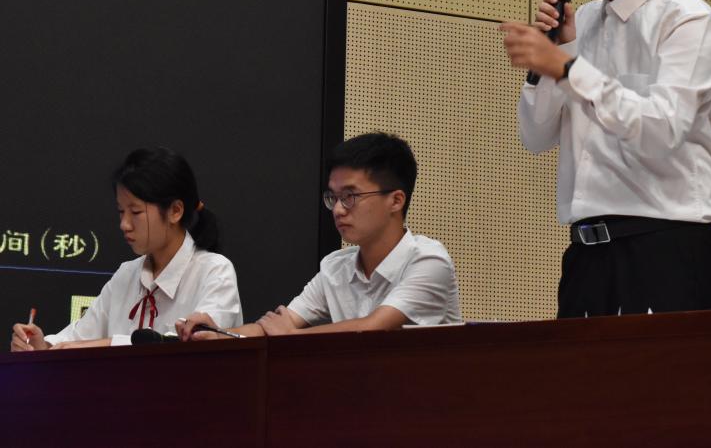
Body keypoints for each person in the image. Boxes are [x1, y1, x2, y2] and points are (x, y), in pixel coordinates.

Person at [500, 0, 711, 317]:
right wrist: (558, 53)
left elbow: (662, 129)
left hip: (665, 249)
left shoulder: (687, 19)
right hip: (586, 257)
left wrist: (568, 68)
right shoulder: (582, 21)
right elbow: (535, 136)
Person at [177, 132, 460, 340]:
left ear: (396, 200)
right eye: (333, 197)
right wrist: (217, 334)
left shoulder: (428, 261)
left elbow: (374, 328)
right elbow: (277, 325)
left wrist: (291, 337)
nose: (338, 209)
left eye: (350, 196)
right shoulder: (335, 267)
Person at [10, 147, 242, 350]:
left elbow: (192, 345)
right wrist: (43, 346)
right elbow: (76, 337)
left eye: (136, 212)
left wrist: (106, 344)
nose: (124, 224)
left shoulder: (214, 272)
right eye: (121, 211)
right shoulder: (127, 274)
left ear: (175, 211)